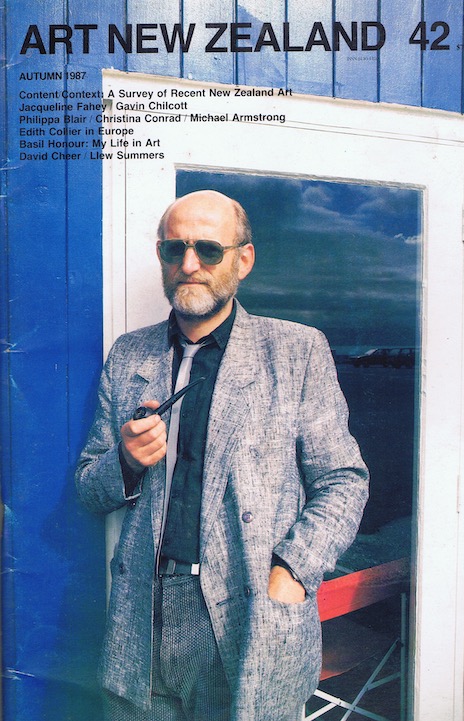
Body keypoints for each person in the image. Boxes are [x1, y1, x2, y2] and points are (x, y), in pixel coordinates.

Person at [75, 189, 369, 721]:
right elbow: (88, 488)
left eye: (208, 249)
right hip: (141, 621)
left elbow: (343, 480)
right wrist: (126, 461)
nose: (189, 265)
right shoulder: (129, 354)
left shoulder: (296, 350)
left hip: (250, 612)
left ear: (243, 259)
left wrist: (293, 572)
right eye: (175, 249)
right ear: (161, 255)